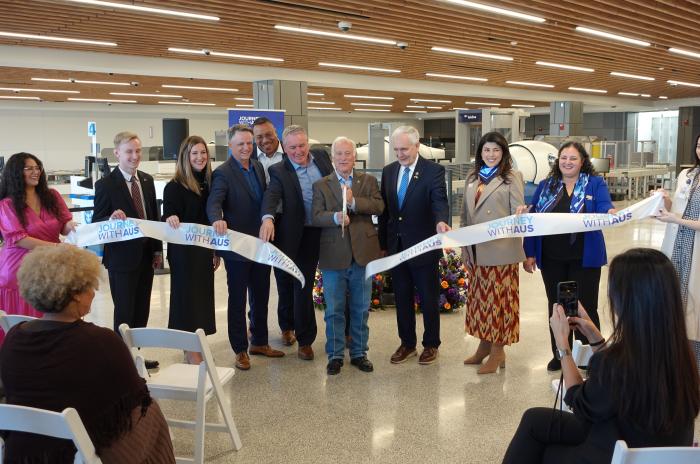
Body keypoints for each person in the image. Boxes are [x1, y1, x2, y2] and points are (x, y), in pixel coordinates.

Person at [502, 248, 700, 464]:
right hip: (647, 444)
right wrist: (595, 337)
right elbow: (618, 379)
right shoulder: (680, 354)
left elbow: (579, 402)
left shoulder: (617, 363)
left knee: (541, 450)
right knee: (534, 419)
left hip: (616, 452)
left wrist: (563, 347)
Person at [0, 244, 175, 463]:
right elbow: (136, 396)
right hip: (76, 452)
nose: (94, 293)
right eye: (89, 286)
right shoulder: (101, 341)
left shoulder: (14, 337)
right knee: (152, 413)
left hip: (25, 450)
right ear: (74, 294)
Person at [523, 141, 615, 372]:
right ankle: (560, 353)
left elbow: (605, 206)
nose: (567, 162)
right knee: (557, 308)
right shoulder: (547, 186)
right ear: (558, 161)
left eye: (573, 158)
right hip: (552, 256)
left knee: (586, 306)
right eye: (563, 158)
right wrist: (529, 252)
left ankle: (590, 354)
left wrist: (611, 212)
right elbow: (533, 219)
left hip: (584, 257)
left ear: (582, 161)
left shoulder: (594, 183)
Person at [208, 125, 284, 370]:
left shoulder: (259, 167)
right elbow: (214, 202)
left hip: (260, 244)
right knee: (238, 300)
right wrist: (216, 219)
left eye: (249, 143)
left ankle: (259, 341)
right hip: (238, 248)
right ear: (230, 146)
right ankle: (240, 349)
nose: (246, 147)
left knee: (261, 295)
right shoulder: (223, 173)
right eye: (240, 144)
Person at [259, 125, 333, 361]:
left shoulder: (321, 157)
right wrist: (267, 218)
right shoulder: (279, 170)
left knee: (339, 281)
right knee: (302, 287)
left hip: (329, 229)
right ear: (285, 147)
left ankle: (347, 334)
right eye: (292, 147)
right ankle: (305, 340)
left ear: (308, 144)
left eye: (302, 145)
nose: (298, 151)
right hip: (301, 234)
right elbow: (271, 195)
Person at [311, 136, 384, 375]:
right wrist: (333, 218)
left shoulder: (369, 181)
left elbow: (378, 206)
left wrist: (354, 202)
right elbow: (316, 216)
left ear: (355, 157)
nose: (343, 158)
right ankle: (334, 355)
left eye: (347, 154)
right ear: (332, 158)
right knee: (334, 309)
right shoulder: (321, 184)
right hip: (333, 256)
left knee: (361, 308)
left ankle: (359, 353)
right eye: (338, 154)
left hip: (363, 255)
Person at [378, 126, 450, 365]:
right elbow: (387, 212)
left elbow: (439, 200)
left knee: (429, 298)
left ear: (417, 146)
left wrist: (441, 221)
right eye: (396, 149)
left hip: (423, 246)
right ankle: (407, 343)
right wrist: (382, 245)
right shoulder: (389, 172)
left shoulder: (433, 171)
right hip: (397, 246)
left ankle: (431, 344)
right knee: (402, 297)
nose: (400, 154)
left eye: (404, 149)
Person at [93, 131, 162, 370]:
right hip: (122, 259)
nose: (135, 156)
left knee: (142, 309)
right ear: (117, 153)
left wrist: (157, 250)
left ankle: (135, 356)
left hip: (145, 256)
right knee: (124, 311)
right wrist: (110, 218)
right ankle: (120, 361)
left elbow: (152, 216)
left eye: (138, 151)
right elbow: (96, 222)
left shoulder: (146, 180)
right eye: (129, 151)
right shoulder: (105, 185)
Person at [460, 132, 525, 374]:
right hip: (476, 252)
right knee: (479, 303)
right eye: (486, 150)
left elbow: (517, 215)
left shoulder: (511, 177)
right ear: (480, 153)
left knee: (500, 303)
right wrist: (465, 247)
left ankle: (498, 351)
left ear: (503, 153)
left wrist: (522, 213)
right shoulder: (473, 177)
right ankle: (484, 346)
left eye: (496, 151)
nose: (491, 155)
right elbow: (466, 215)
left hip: (501, 253)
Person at [0, 152, 75, 345]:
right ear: (17, 173)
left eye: (37, 168)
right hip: (19, 266)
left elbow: (65, 224)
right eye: (29, 168)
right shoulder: (7, 204)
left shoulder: (52, 196)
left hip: (51, 264)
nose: (36, 172)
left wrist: (74, 229)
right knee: (24, 322)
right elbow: (20, 239)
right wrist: (58, 247)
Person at [163, 135, 219, 365]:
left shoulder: (210, 183)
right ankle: (188, 348)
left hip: (204, 250)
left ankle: (199, 342)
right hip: (183, 252)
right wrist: (171, 217)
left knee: (203, 299)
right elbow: (167, 214)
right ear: (186, 157)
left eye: (203, 153)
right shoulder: (174, 186)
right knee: (185, 299)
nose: (200, 157)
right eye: (194, 153)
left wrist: (216, 251)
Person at [657, 132, 700, 372]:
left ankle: (695, 368)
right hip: (677, 247)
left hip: (697, 250)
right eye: (699, 145)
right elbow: (676, 207)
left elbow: (681, 217)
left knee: (696, 309)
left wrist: (677, 219)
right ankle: (676, 362)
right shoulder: (687, 174)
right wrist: (663, 201)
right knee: (675, 302)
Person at [252, 116, 284, 183]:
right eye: (259, 137)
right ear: (254, 138)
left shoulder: (289, 150)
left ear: (276, 132)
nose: (265, 140)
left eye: (268, 134)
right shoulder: (248, 155)